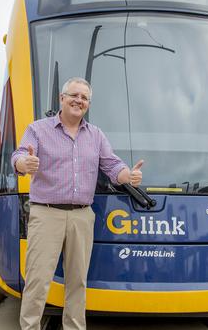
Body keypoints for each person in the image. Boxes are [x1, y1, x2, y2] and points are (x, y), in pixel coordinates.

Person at [12, 77, 144, 330]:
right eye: (74, 95)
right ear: (62, 99)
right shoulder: (38, 129)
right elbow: (19, 154)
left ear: (88, 104)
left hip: (82, 216)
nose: (79, 101)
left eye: (84, 98)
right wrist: (23, 164)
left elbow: (112, 165)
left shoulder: (96, 135)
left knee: (77, 282)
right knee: (38, 280)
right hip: (46, 214)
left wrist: (128, 175)